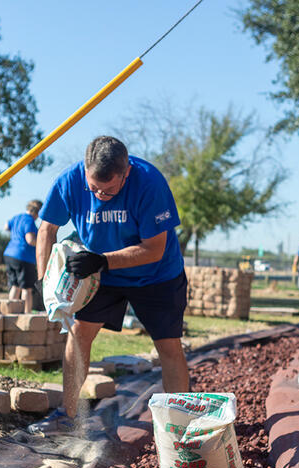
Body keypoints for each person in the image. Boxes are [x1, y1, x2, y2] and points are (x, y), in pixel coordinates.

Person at [27, 136, 188, 435]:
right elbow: (47, 228)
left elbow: (154, 249)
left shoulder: (150, 182)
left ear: (126, 172)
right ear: (85, 170)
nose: (100, 195)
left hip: (157, 275)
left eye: (109, 189)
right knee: (79, 335)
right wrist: (42, 279)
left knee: (168, 346)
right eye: (94, 188)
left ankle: (177, 426)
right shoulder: (69, 180)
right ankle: (68, 415)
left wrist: (101, 260)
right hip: (101, 274)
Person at [4, 200, 42, 313]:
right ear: (37, 212)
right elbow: (30, 240)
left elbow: (6, 227)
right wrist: (41, 243)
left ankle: (10, 312)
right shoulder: (29, 221)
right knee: (27, 289)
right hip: (23, 256)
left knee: (15, 286)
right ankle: (27, 315)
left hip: (9, 254)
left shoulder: (17, 217)